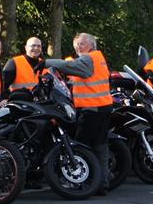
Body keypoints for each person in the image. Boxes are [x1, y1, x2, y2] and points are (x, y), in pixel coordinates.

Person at [46, 32, 116, 191]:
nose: (78, 47)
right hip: (103, 106)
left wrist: (46, 63)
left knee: (81, 146)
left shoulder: (88, 59)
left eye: (82, 44)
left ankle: (82, 181)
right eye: (76, 44)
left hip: (91, 108)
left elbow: (70, 66)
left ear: (91, 45)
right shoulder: (98, 58)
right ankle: (102, 183)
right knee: (100, 145)